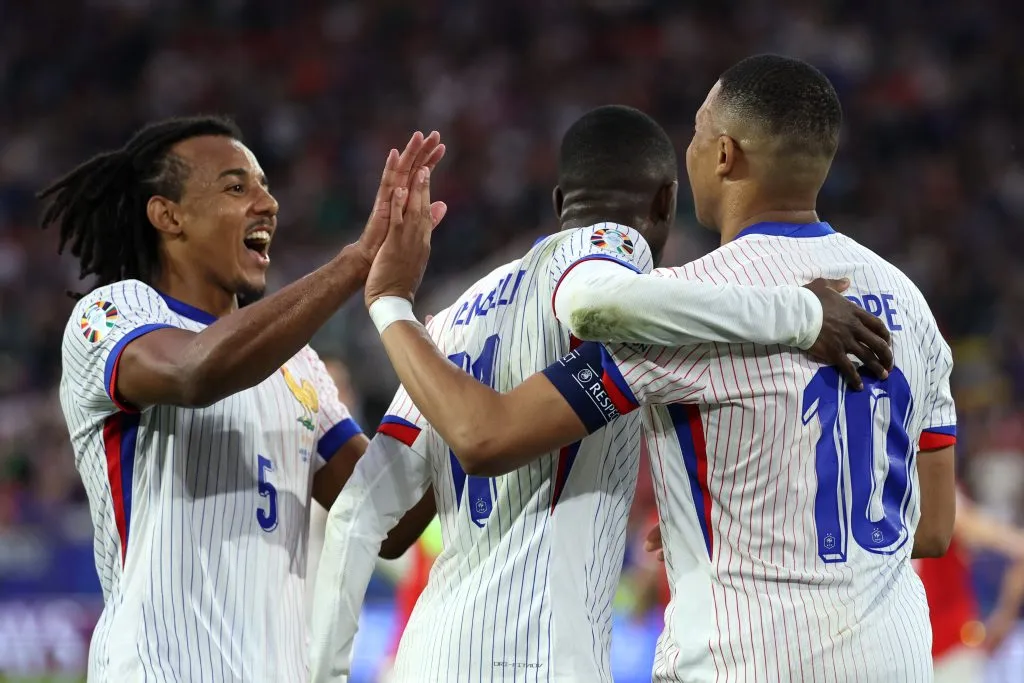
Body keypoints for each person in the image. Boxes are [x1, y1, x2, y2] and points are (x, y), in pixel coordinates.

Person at [360, 55, 955, 682]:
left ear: (724, 155)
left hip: (744, 659)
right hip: (897, 655)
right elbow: (933, 528)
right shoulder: (910, 304)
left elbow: (489, 435)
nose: (689, 151)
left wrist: (391, 303)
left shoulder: (685, 305)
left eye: (696, 134)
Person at [43, 118, 444, 682]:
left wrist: (452, 370)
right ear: (168, 215)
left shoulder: (299, 364)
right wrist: (356, 262)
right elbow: (196, 371)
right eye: (237, 187)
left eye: (264, 185)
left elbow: (390, 520)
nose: (268, 203)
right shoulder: (111, 316)